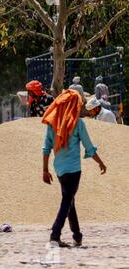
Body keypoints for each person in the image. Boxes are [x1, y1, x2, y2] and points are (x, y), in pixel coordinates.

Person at [42, 89, 107, 247]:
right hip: (74, 170)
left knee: (69, 200)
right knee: (67, 201)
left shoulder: (53, 123)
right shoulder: (78, 123)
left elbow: (46, 148)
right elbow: (89, 147)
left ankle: (77, 235)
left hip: (59, 170)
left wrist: (45, 170)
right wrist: (100, 162)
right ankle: (55, 235)